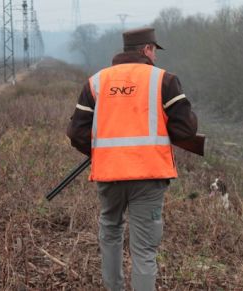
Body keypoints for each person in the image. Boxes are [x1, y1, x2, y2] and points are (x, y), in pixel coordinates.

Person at [66, 27, 198, 291]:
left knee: (111, 236)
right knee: (144, 249)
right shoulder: (165, 81)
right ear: (146, 49)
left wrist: (103, 153)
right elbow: (186, 130)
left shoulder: (96, 82)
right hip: (149, 178)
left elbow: (77, 132)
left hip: (109, 175)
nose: (156, 57)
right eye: (154, 51)